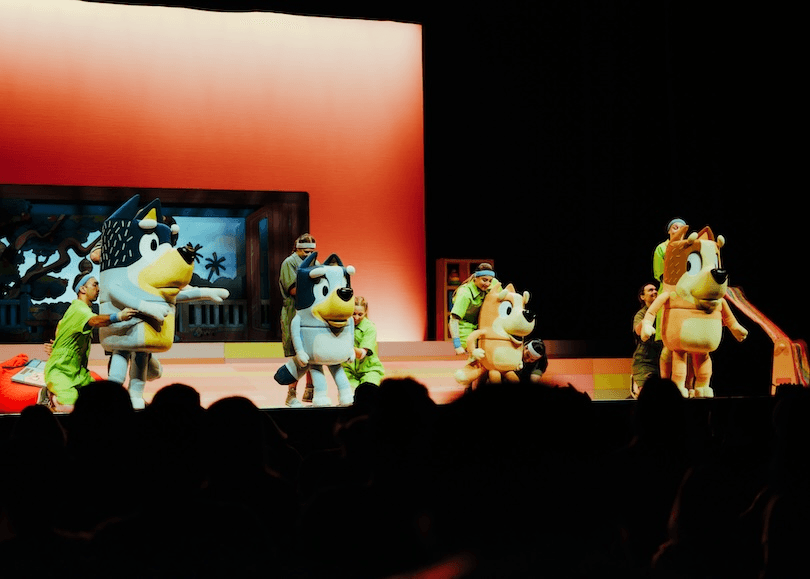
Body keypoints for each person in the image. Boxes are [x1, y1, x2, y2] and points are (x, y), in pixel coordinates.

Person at [43, 272, 137, 412]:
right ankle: (51, 398)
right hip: (60, 370)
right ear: (82, 289)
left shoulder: (79, 310)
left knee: (100, 400)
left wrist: (56, 346)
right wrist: (118, 316)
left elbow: (61, 325)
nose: (98, 289)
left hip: (79, 372)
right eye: (95, 284)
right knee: (70, 406)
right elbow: (94, 321)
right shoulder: (79, 308)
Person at [279, 233, 317, 407]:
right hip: (294, 313)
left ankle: (311, 389)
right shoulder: (289, 263)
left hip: (312, 313)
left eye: (311, 252)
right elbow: (293, 289)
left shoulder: (315, 263)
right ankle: (291, 393)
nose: (308, 255)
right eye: (305, 252)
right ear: (297, 249)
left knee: (313, 353)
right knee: (298, 355)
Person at [448, 262, 497, 355]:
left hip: (481, 326)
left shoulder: (492, 284)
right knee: (472, 354)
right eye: (484, 280)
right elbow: (453, 320)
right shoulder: (465, 293)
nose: (487, 284)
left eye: (490, 281)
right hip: (465, 326)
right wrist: (457, 345)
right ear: (475, 278)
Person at [342, 296, 385, 389]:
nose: (356, 317)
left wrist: (342, 345)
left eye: (360, 314)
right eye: (353, 313)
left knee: (368, 394)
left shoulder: (370, 328)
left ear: (365, 313)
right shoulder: (342, 325)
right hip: (348, 371)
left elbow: (361, 354)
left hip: (369, 370)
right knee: (347, 398)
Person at [631, 282, 663, 398]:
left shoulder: (664, 311)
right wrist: (646, 321)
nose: (654, 292)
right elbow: (638, 331)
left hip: (662, 361)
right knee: (648, 395)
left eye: (655, 289)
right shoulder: (641, 314)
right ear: (642, 297)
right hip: (645, 362)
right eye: (650, 290)